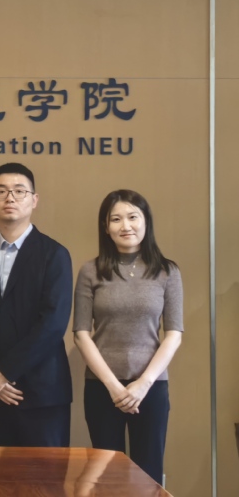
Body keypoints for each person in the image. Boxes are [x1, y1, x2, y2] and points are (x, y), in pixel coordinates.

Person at [73, 190, 183, 485]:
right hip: (102, 387)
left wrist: (143, 384)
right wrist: (114, 387)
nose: (126, 226)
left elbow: (173, 334)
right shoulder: (90, 271)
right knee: (105, 475)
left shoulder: (167, 271)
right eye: (116, 219)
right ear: (105, 227)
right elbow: (81, 334)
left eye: (133, 217)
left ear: (146, 222)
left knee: (148, 474)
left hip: (151, 387)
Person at [0, 162, 73, 447]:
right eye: (1, 191)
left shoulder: (54, 254)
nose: (10, 198)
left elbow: (53, 323)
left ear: (34, 200)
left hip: (42, 393)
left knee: (45, 475)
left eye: (19, 191)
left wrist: (6, 371)